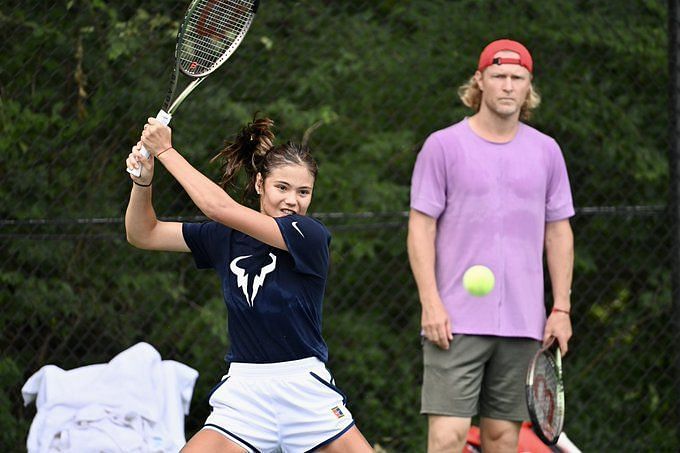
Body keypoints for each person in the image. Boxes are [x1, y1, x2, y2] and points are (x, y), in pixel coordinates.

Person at [125, 115, 374, 453]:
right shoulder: (224, 237)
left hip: (304, 388)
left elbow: (218, 207)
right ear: (259, 184)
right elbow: (144, 234)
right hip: (246, 392)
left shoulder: (309, 235)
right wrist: (143, 185)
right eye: (282, 187)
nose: (292, 200)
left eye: (303, 192)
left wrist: (166, 150)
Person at [407, 39, 575, 453]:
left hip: (523, 322)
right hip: (454, 321)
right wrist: (430, 302)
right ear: (479, 80)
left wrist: (561, 309)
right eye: (498, 76)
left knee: (503, 439)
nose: (507, 86)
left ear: (528, 86)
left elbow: (559, 232)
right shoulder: (442, 146)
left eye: (517, 78)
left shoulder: (547, 151)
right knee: (448, 438)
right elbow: (421, 227)